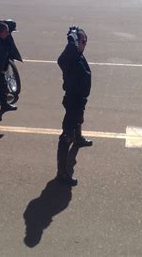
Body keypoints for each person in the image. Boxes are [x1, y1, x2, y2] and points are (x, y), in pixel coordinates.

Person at [56, 26, 93, 186]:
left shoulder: (77, 54)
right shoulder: (69, 58)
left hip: (79, 98)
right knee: (66, 135)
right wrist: (72, 42)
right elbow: (61, 60)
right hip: (73, 99)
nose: (85, 44)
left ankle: (78, 139)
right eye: (83, 41)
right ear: (76, 42)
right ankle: (62, 173)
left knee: (79, 119)